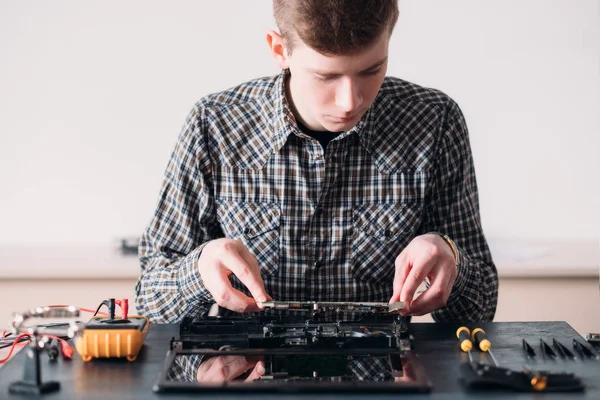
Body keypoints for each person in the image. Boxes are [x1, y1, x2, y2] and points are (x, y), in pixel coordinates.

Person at [135, 0, 498, 325]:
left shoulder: (435, 120)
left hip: (384, 378)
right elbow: (151, 303)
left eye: (372, 70)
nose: (349, 101)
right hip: (248, 377)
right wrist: (198, 269)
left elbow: (479, 311)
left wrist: (450, 258)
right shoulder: (214, 124)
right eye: (326, 76)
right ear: (280, 50)